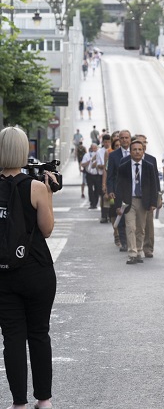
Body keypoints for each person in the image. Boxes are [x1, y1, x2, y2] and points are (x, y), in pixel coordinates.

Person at [0, 127, 56, 409]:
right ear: (24, 152)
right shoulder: (35, 187)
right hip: (36, 270)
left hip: (3, 274)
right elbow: (46, 230)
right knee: (38, 333)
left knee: (12, 338)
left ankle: (19, 403)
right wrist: (50, 194)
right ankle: (43, 400)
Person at [114, 140, 159, 265]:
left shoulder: (148, 166)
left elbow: (153, 185)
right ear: (130, 151)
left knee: (141, 229)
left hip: (143, 201)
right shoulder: (124, 167)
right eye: (134, 149)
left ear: (143, 151)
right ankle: (132, 253)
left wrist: (153, 202)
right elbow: (119, 186)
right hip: (129, 201)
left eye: (140, 149)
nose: (137, 152)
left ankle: (139, 251)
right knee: (130, 227)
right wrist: (118, 205)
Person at [81, 143, 103, 210]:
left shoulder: (100, 155)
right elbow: (83, 164)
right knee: (90, 189)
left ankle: (95, 203)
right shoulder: (87, 155)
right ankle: (92, 203)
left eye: (95, 148)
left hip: (97, 175)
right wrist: (90, 161)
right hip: (89, 174)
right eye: (93, 148)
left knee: (97, 189)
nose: (94, 150)